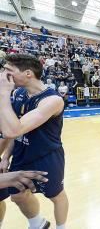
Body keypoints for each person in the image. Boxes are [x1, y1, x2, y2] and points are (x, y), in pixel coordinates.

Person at [0, 53, 69, 229]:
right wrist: (6, 156)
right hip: (21, 153)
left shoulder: (53, 100)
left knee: (56, 196)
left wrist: (3, 93)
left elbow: (13, 129)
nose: (3, 75)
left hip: (47, 156)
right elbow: (12, 132)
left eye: (8, 71)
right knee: (17, 195)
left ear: (28, 73)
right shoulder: (19, 93)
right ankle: (37, 223)